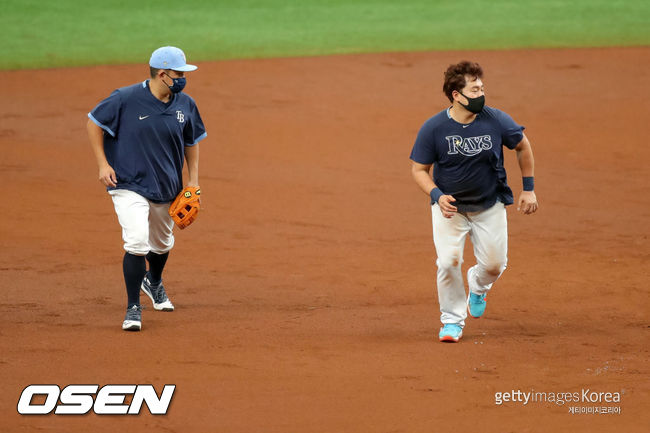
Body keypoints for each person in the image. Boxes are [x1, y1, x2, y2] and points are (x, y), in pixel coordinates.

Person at [409, 61, 538, 343]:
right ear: (456, 94)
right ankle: (452, 321)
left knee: (494, 265)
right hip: (449, 209)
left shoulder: (496, 119)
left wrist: (528, 189)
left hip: (489, 205)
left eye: (482, 88)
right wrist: (437, 196)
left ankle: (478, 286)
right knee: (448, 261)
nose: (481, 94)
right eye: (475, 89)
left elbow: (522, 145)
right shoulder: (434, 128)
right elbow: (419, 170)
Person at [87, 46, 207, 331]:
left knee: (162, 243)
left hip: (167, 185)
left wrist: (193, 181)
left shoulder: (185, 104)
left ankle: (153, 282)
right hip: (128, 183)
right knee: (137, 241)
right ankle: (132, 308)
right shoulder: (125, 98)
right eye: (179, 74)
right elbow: (94, 123)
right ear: (162, 74)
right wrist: (103, 165)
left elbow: (192, 142)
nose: (183, 79)